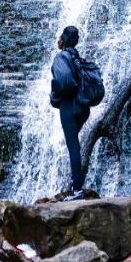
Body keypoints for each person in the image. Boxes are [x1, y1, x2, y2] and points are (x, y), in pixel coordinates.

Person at [50, 25, 90, 198]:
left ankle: (77, 190)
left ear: (63, 40)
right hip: (83, 107)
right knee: (75, 145)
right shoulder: (78, 58)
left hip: (69, 107)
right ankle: (76, 184)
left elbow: (65, 82)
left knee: (73, 146)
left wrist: (54, 97)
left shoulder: (61, 57)